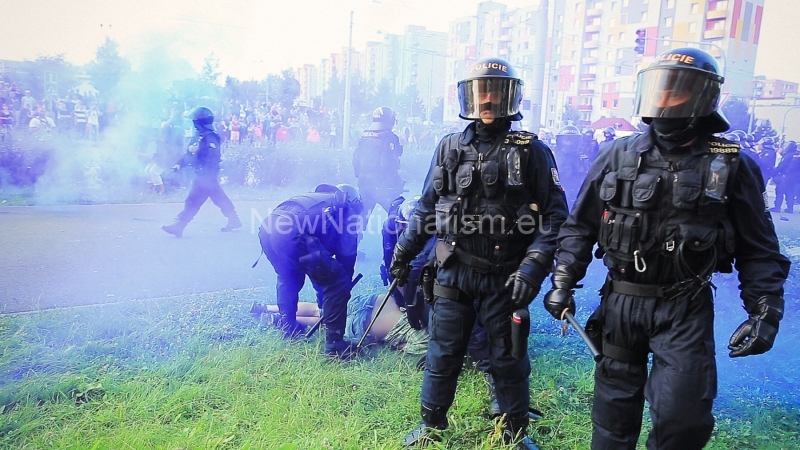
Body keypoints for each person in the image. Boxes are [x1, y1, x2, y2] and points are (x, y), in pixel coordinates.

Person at [543, 47, 790, 450]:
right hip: (620, 302)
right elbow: (579, 227)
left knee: (683, 420)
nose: (665, 100)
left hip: (684, 307)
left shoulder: (731, 164)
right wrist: (563, 280)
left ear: (703, 99)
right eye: (659, 89)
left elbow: (759, 248)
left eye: (678, 91)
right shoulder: (616, 154)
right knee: (612, 419)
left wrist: (766, 310)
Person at [390, 57, 568, 449]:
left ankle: (514, 433)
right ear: (468, 96)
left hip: (507, 278)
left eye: (495, 91)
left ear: (511, 97)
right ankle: (431, 426)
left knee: (508, 359)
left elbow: (556, 219)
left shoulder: (532, 151)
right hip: (453, 272)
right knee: (443, 354)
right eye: (480, 91)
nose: (487, 100)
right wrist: (403, 253)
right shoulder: (449, 147)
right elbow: (426, 207)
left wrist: (533, 269)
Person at [257, 183, 363, 359]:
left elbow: (321, 266)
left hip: (268, 229)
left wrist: (326, 303)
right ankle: (336, 347)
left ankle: (288, 328)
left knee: (288, 277)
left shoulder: (319, 201)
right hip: (291, 233)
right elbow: (347, 256)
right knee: (337, 282)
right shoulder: (344, 207)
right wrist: (342, 287)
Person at [162, 107, 242, 237]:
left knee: (193, 200)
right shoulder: (198, 136)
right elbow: (189, 153)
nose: (194, 123)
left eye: (195, 121)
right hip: (203, 174)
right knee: (219, 197)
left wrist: (206, 177)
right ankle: (234, 220)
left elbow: (212, 158)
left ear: (201, 122)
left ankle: (179, 226)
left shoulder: (210, 137)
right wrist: (179, 165)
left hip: (207, 175)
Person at [352, 106, 405, 228]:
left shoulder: (365, 136)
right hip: (383, 186)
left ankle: (352, 244)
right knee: (399, 218)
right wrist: (396, 183)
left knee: (359, 222)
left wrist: (361, 176)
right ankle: (397, 246)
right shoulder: (389, 137)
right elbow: (387, 164)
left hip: (364, 183)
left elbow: (356, 159)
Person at [552, 125, 586, 205]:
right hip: (556, 196)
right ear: (560, 141)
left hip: (577, 197)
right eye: (566, 140)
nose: (569, 143)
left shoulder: (582, 159)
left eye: (572, 140)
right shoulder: (552, 156)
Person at [772, 141, 800, 213]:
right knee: (790, 193)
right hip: (794, 177)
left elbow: (781, 166)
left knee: (779, 192)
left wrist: (774, 173)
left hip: (785, 176)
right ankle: (790, 208)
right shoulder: (797, 155)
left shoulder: (788, 155)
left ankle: (777, 207)